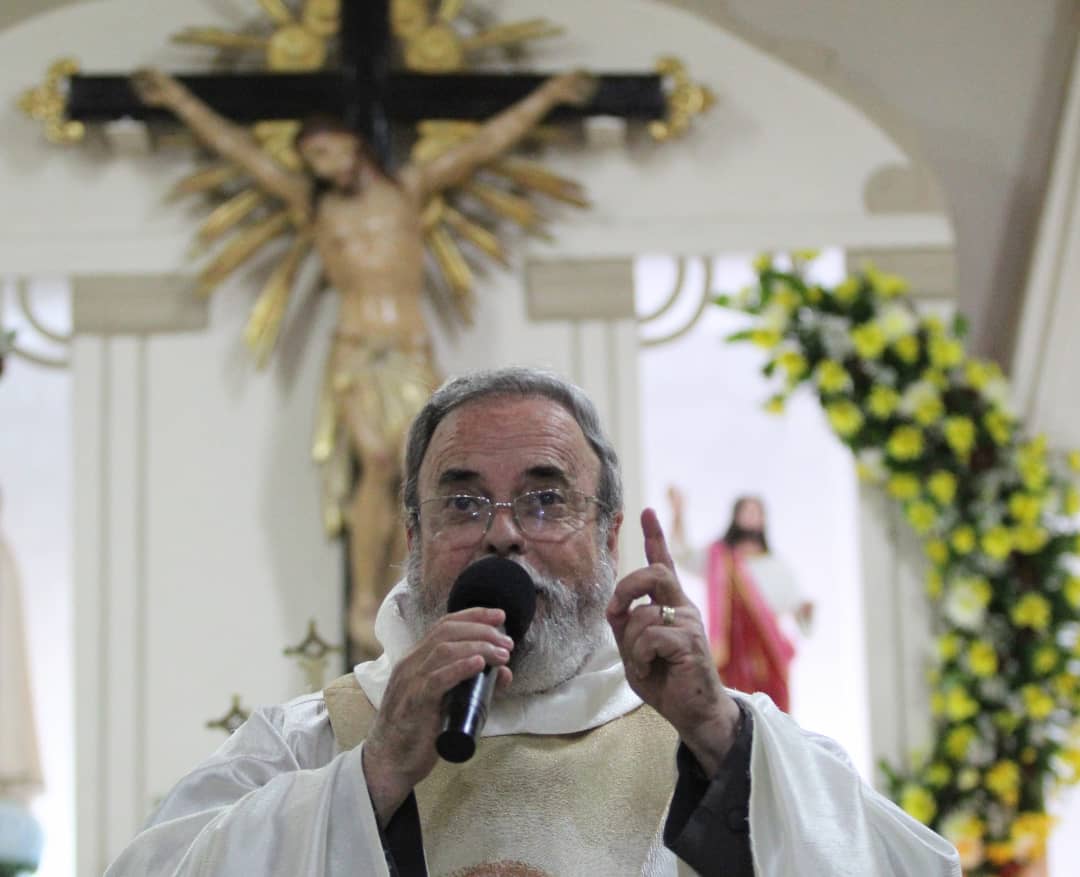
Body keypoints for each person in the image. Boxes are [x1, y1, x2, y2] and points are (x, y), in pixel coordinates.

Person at [104, 367, 959, 876]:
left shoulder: (716, 739)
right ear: (414, 538)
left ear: (608, 536)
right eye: (463, 501)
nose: (504, 533)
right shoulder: (310, 742)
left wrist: (720, 737)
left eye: (546, 499)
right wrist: (370, 775)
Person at [131, 68, 595, 661]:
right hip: (355, 351)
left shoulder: (408, 189)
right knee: (376, 462)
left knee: (418, 469)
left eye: (327, 151)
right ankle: (362, 598)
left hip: (410, 350)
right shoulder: (314, 206)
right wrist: (175, 98)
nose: (324, 167)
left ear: (352, 143)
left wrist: (550, 95)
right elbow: (240, 152)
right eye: (312, 161)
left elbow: (484, 146)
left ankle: (416, 582)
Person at [668, 489, 813, 712]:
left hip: (766, 653)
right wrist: (678, 514)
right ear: (736, 516)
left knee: (770, 712)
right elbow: (683, 555)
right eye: (747, 511)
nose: (752, 516)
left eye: (757, 512)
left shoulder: (775, 564)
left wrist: (804, 611)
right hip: (729, 653)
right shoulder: (720, 557)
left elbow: (792, 605)